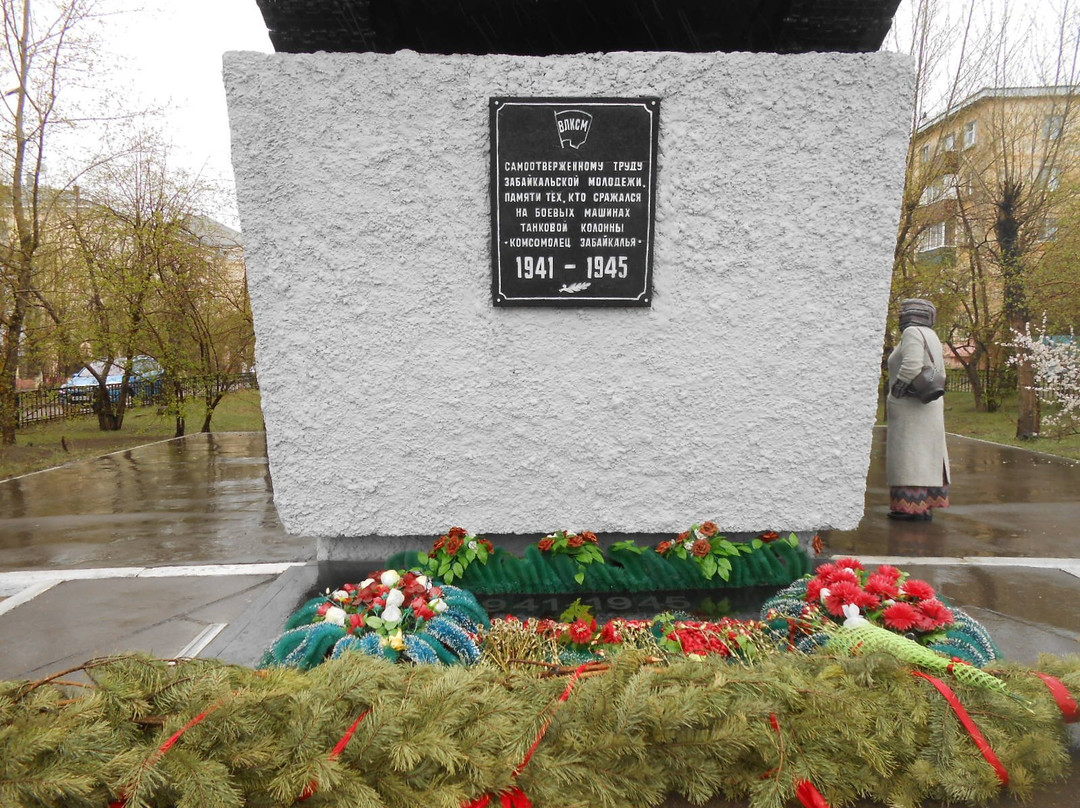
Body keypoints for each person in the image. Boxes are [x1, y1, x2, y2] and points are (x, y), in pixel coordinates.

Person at [886, 298, 950, 521]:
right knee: (924, 456)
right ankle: (922, 505)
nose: (899, 315)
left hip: (911, 408)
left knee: (911, 457)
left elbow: (912, 365)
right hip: (927, 407)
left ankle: (910, 508)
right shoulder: (931, 334)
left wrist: (897, 392)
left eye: (902, 311)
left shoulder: (912, 332)